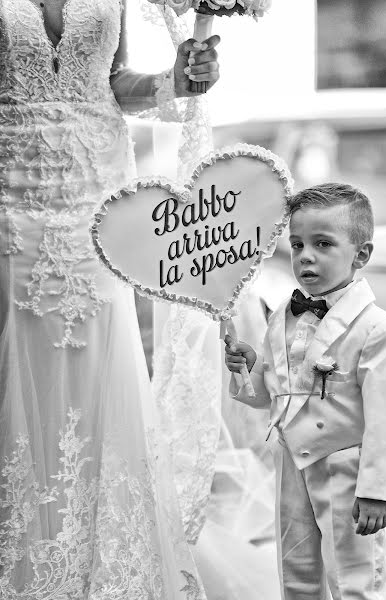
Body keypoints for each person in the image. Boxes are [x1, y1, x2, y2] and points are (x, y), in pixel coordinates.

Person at [0, 0, 220, 597]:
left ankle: (97, 564)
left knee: (99, 369)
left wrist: (175, 77)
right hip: (10, 198)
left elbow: (112, 82)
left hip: (92, 204)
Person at [225, 182, 386, 600]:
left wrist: (377, 490)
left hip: (344, 468)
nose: (306, 256)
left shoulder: (379, 329)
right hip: (291, 460)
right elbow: (270, 394)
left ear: (361, 255)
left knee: (354, 575)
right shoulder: (282, 320)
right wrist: (246, 370)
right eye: (297, 244)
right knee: (296, 568)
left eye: (323, 244)